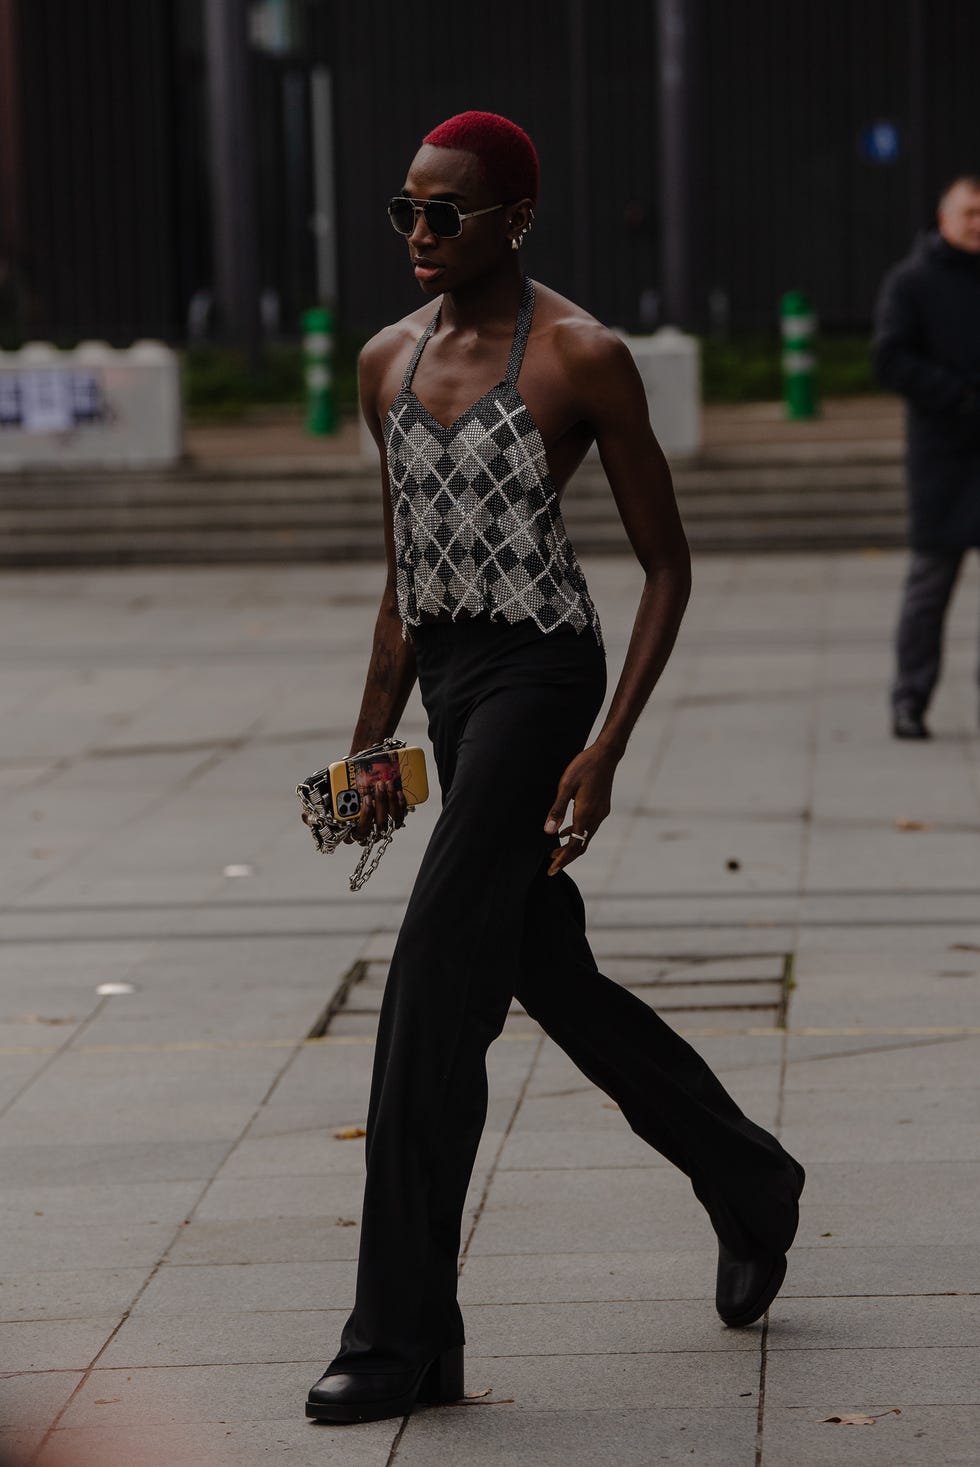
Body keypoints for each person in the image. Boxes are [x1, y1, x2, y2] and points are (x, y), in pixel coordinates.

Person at [305, 111, 805, 1427]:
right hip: (459, 690)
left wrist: (607, 745)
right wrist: (370, 746)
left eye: (445, 213)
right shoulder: (381, 364)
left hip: (544, 680)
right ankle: (750, 1179)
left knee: (429, 984)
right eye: (405, 210)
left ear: (515, 218)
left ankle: (400, 1331)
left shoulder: (582, 356)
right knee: (545, 970)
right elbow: (405, 584)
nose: (419, 235)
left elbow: (669, 566)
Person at [873, 175, 980, 739]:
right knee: (930, 585)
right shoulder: (912, 282)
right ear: (945, 218)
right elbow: (889, 358)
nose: (978, 222)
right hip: (944, 458)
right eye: (971, 211)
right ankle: (909, 699)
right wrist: (957, 395)